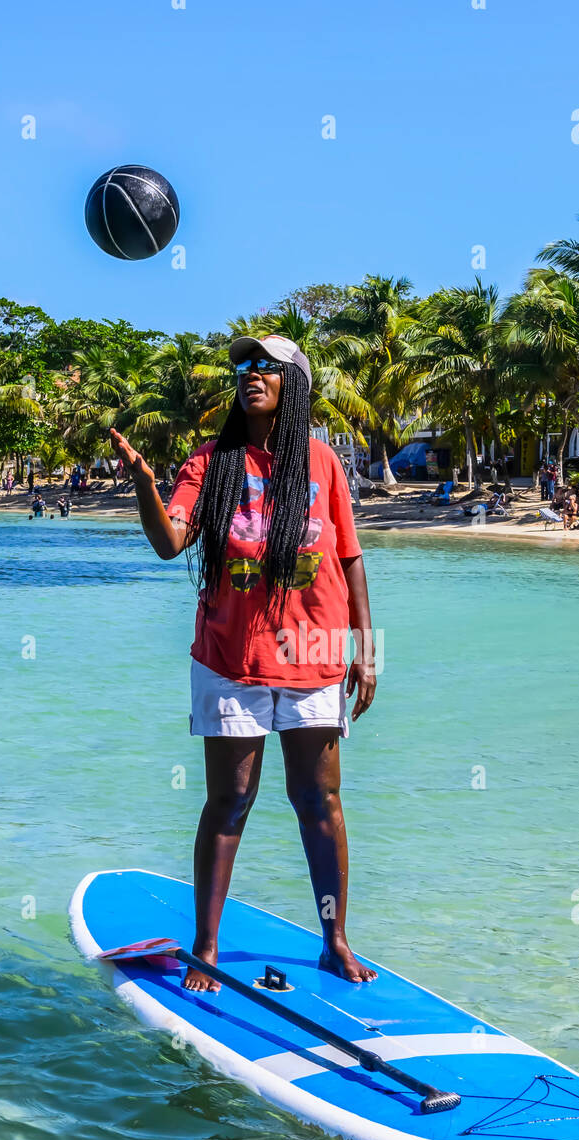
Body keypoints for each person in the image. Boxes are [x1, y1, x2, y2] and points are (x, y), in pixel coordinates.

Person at [111, 334, 378, 993]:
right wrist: (146, 483)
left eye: (265, 366)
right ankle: (205, 943)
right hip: (232, 657)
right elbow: (171, 542)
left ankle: (334, 940)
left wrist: (364, 650)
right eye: (243, 365)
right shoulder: (211, 463)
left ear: (295, 384)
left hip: (314, 650)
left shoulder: (322, 464)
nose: (249, 374)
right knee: (230, 801)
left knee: (318, 800)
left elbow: (348, 558)